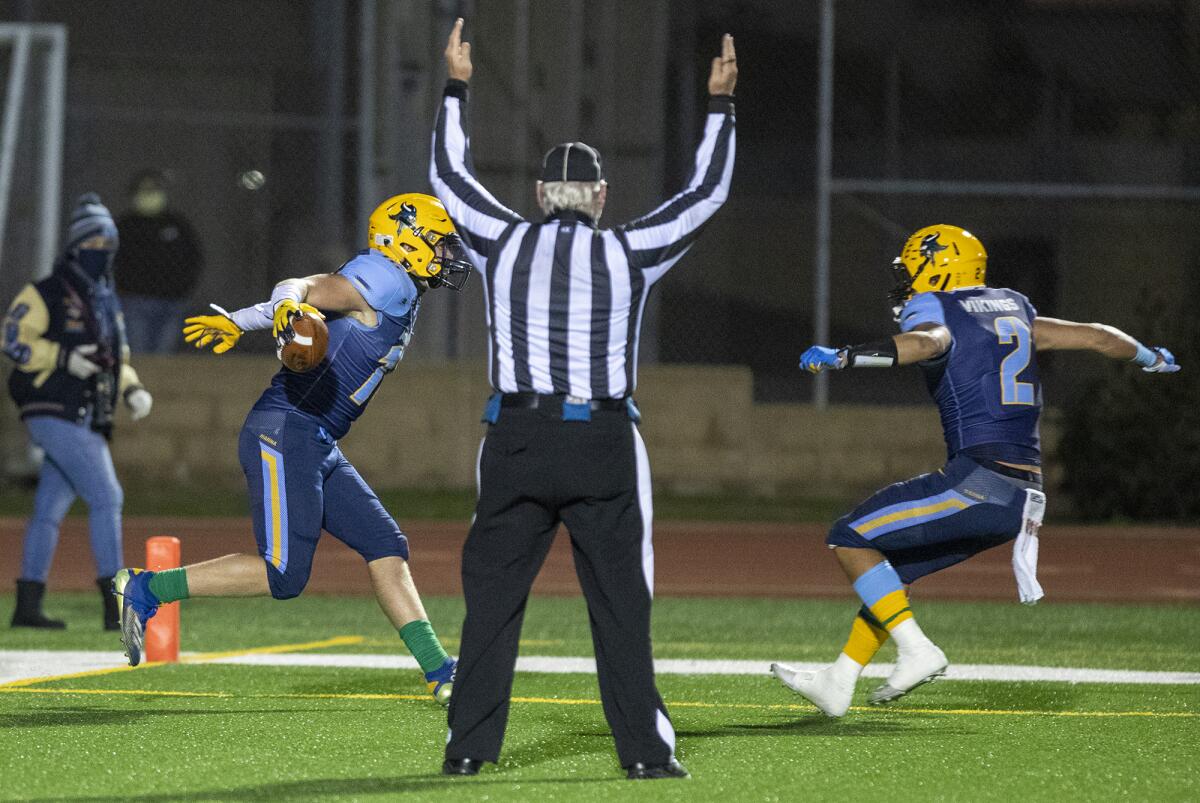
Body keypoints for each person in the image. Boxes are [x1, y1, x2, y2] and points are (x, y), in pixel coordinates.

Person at [430, 19, 736, 779]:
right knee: (621, 606)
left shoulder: (502, 241)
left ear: (539, 193)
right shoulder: (627, 250)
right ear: (600, 196)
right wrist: (721, 108)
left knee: (492, 604)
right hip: (600, 442)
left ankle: (468, 750)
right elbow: (705, 195)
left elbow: (446, 178)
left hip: (516, 438)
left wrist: (455, 88)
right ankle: (645, 756)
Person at [771, 224, 1181, 715]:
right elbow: (1096, 337)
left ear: (937, 270)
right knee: (891, 577)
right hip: (1024, 492)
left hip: (979, 482)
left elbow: (929, 343)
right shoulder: (1014, 308)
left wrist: (848, 357)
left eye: (911, 272)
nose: (905, 285)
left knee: (851, 536)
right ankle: (839, 680)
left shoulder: (939, 310)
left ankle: (918, 650)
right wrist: (1150, 357)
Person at [110, 193, 472, 704]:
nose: (444, 254)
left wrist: (239, 320)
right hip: (287, 429)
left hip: (315, 437)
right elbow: (298, 288)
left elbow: (301, 305)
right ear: (403, 241)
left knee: (385, 544)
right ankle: (147, 589)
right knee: (283, 574)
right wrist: (284, 306)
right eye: (435, 243)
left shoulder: (399, 286)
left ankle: (440, 672)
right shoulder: (386, 277)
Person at [2, 193, 153, 631]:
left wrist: (132, 388)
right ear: (76, 245)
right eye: (95, 244)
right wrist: (62, 356)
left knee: (49, 509)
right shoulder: (45, 292)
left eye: (110, 245)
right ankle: (115, 608)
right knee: (108, 496)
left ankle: (27, 605)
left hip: (86, 411)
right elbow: (12, 337)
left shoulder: (105, 299)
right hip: (53, 407)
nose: (102, 254)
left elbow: (116, 357)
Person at [113, 170, 204, 353]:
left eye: (154, 190)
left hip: (171, 302)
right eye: (144, 190)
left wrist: (182, 288)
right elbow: (113, 261)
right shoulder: (125, 227)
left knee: (164, 357)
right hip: (135, 302)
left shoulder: (177, 225)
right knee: (138, 354)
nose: (150, 195)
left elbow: (193, 258)